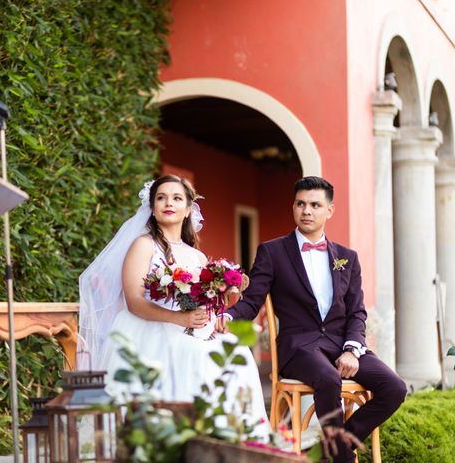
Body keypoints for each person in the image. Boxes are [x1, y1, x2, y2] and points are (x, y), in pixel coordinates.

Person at [222, 176, 407, 462]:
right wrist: (226, 317)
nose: (306, 211)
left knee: (394, 387)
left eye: (315, 205)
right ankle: (342, 458)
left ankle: (332, 451)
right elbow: (252, 301)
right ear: (293, 207)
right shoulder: (272, 251)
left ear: (329, 210)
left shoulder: (348, 257)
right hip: (298, 347)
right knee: (328, 379)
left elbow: (357, 311)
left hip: (341, 344)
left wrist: (351, 349)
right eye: (300, 204)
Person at [79, 174, 268, 437]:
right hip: (149, 327)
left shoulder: (197, 256)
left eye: (177, 198)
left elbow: (203, 302)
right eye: (161, 198)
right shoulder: (143, 245)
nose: (169, 203)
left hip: (190, 328)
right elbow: (134, 302)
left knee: (238, 355)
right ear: (153, 208)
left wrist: (213, 320)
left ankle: (230, 438)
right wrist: (178, 319)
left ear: (188, 209)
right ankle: (182, 436)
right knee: (193, 356)